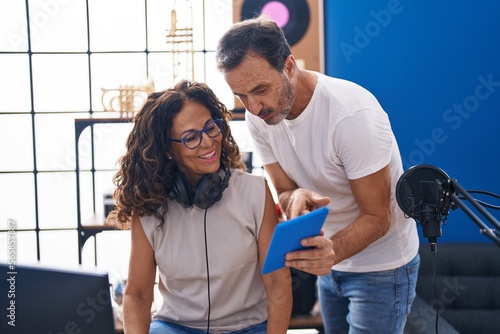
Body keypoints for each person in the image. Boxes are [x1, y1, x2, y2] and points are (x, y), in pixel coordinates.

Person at [215, 15, 420, 334]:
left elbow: (380, 216)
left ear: (290, 67)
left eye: (260, 89)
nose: (253, 107)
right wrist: (295, 196)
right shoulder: (261, 115)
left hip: (381, 268)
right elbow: (283, 189)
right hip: (328, 263)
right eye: (241, 95)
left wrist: (332, 251)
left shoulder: (351, 116)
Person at [107, 80, 292, 334]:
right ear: (168, 150)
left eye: (210, 128)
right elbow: (137, 295)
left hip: (248, 327)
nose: (207, 143)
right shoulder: (149, 209)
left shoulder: (255, 192)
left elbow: (277, 282)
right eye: (191, 137)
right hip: (175, 327)